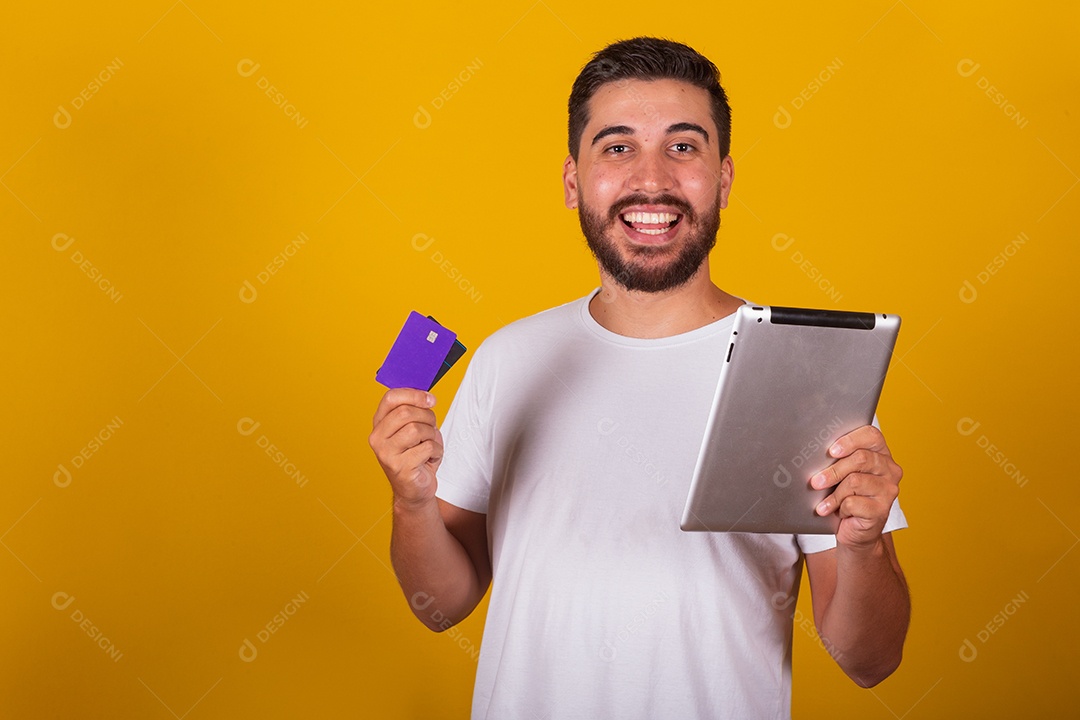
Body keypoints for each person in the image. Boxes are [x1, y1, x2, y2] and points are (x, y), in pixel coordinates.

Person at [369, 36, 910, 719]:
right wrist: (411, 504)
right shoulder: (509, 359)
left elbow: (872, 660)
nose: (651, 180)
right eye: (617, 147)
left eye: (683, 147)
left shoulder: (804, 374)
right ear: (573, 182)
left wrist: (861, 545)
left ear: (724, 177)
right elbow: (441, 607)